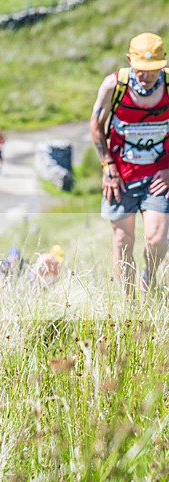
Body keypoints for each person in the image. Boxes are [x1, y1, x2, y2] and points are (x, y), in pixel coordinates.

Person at [90, 32, 169, 297]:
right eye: (141, 69)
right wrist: (107, 167)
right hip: (121, 176)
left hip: (159, 175)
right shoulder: (114, 86)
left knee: (156, 239)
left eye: (153, 69)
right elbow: (96, 127)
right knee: (123, 241)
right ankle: (130, 304)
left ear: (163, 63)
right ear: (128, 60)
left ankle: (150, 277)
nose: (146, 76)